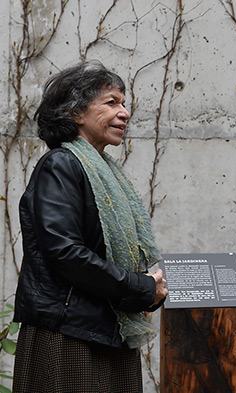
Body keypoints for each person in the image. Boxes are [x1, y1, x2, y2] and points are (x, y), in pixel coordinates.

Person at [12, 60, 168, 393]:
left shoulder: (106, 174)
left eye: (124, 104)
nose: (124, 112)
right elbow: (66, 253)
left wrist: (144, 290)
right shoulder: (61, 165)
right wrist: (140, 287)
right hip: (68, 334)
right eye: (112, 102)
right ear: (75, 113)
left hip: (109, 329)